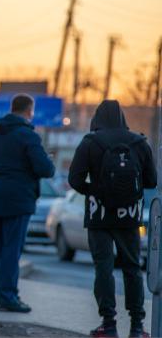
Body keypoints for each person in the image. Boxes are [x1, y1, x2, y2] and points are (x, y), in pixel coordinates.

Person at [69, 100, 156, 338]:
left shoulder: (90, 142)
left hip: (99, 216)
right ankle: (137, 327)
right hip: (129, 216)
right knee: (132, 268)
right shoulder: (139, 142)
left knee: (103, 268)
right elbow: (152, 181)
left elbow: (74, 180)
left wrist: (96, 191)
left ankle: (108, 324)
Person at [0, 94, 55, 313]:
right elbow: (45, 169)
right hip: (19, 198)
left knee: (3, 249)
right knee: (12, 250)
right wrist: (49, 160)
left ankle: (5, 295)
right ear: (29, 111)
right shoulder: (28, 136)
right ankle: (8, 297)